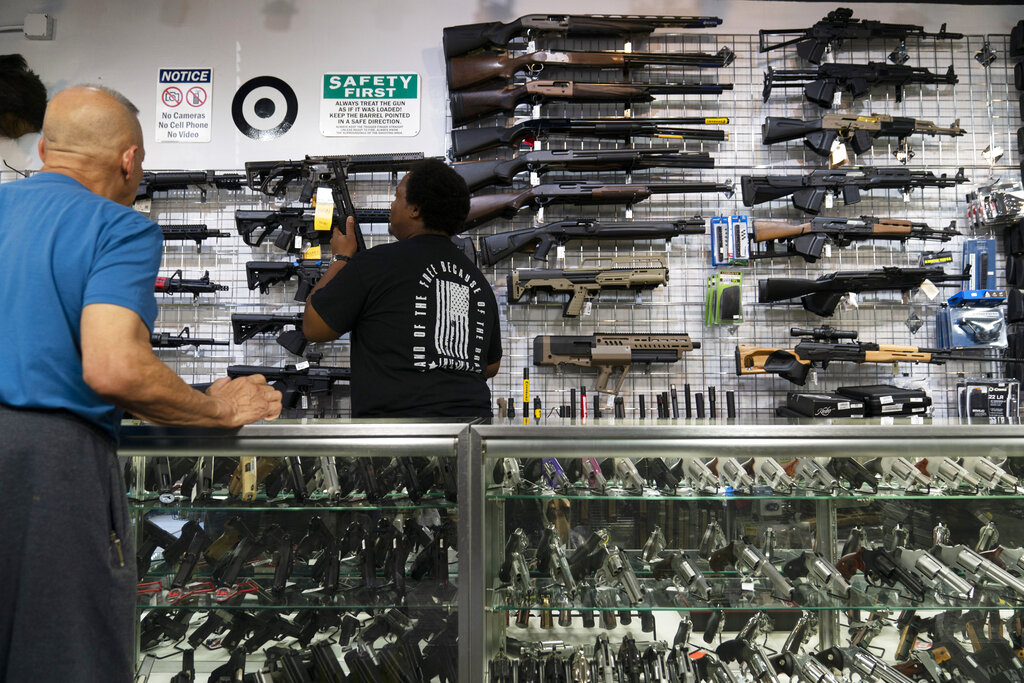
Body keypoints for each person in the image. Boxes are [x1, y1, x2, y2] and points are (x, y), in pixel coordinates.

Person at [0, 85, 282, 683]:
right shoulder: (116, 226)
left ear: (45, 149)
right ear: (129, 161)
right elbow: (116, 368)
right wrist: (216, 410)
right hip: (47, 469)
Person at [303, 157, 502, 417]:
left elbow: (314, 327)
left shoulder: (376, 263)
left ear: (415, 209)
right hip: (471, 430)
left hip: (397, 433)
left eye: (397, 196)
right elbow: (490, 365)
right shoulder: (477, 280)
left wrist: (341, 258)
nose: (392, 204)